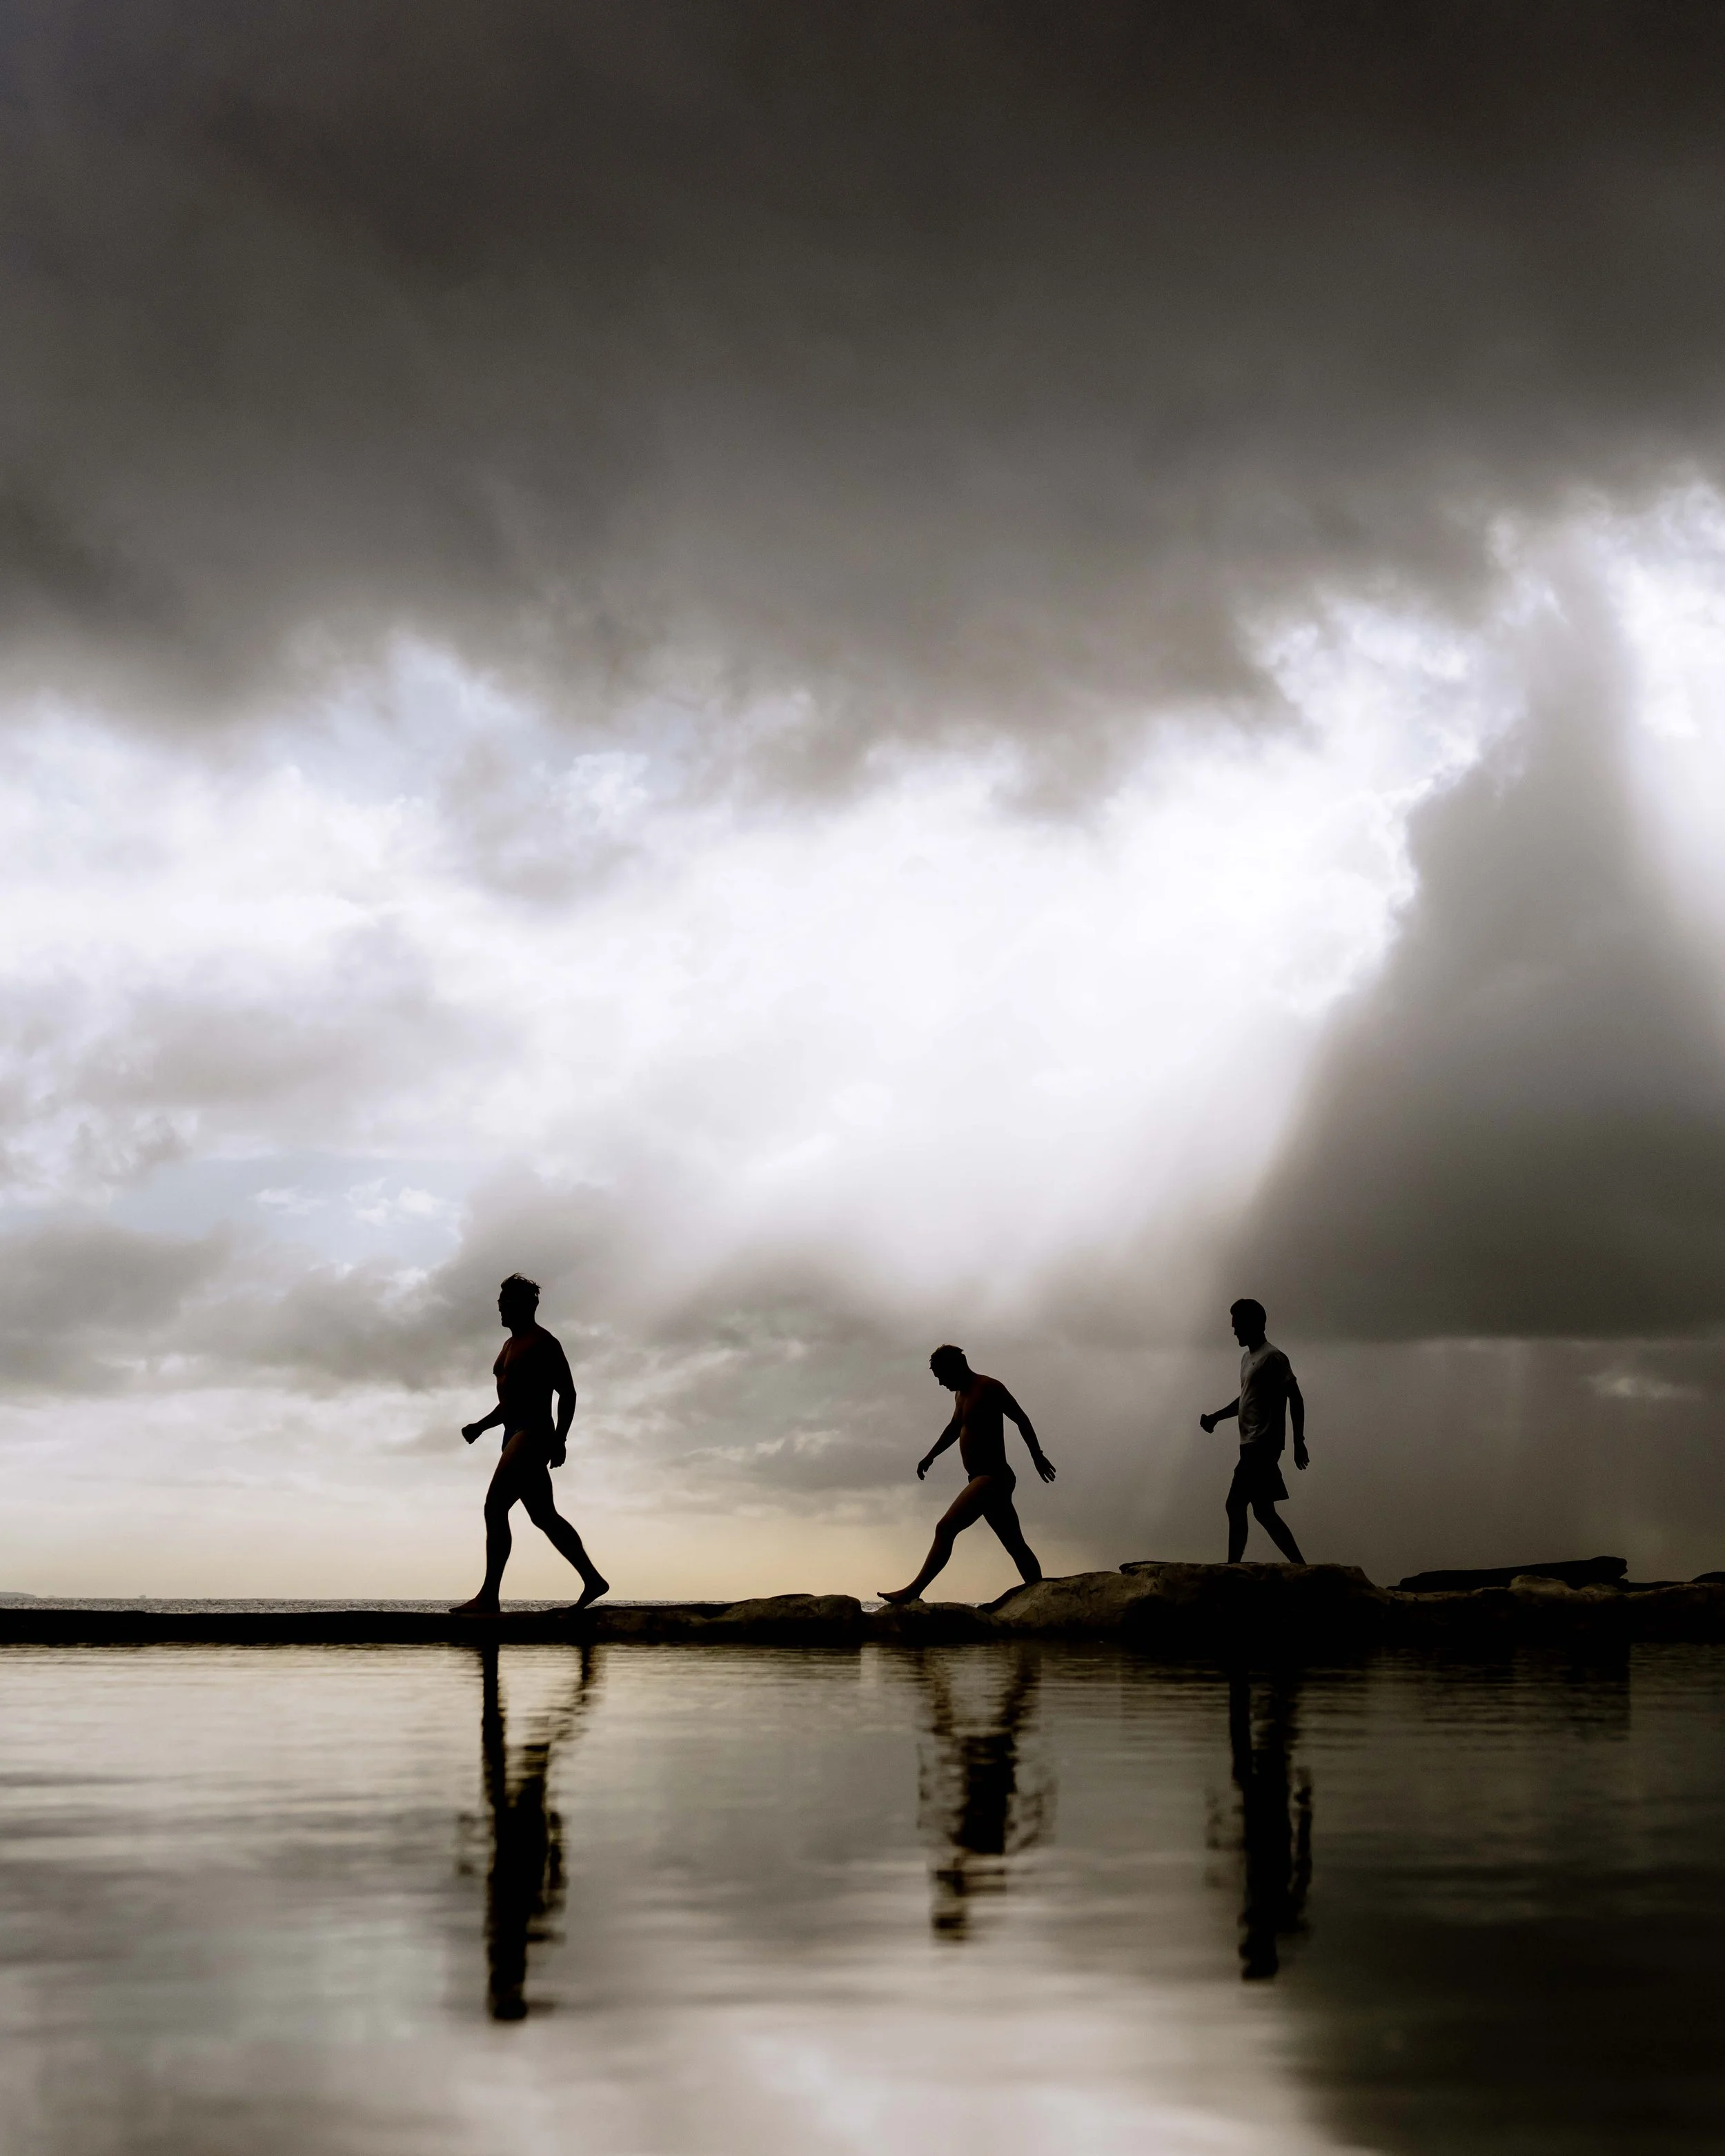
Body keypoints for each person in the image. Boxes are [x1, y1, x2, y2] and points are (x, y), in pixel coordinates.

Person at [451, 1274, 610, 1616]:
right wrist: (481, 1426)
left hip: (535, 1432)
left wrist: (560, 1439)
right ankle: (593, 1580)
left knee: (495, 1508)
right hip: (514, 1432)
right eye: (500, 1304)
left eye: (508, 1303)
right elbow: (511, 1402)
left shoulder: (543, 1343)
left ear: (529, 1305)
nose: (501, 1310)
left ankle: (489, 1597)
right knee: (545, 1517)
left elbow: (567, 1392)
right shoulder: (508, 1346)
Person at [880, 1345, 1055, 1605]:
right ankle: (1041, 1595)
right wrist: (931, 1456)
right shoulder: (960, 1396)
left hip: (992, 1477)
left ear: (956, 1367)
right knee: (1015, 1544)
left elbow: (1021, 1418)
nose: (940, 1383)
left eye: (942, 1376)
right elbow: (954, 1428)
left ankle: (913, 1591)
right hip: (979, 1479)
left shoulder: (989, 1387)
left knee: (945, 1528)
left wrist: (1037, 1456)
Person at [1200, 1298, 1308, 1565]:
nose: (1234, 1330)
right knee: (1263, 1512)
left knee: (1235, 1504)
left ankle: (1233, 1567)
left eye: (1238, 1324)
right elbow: (1246, 1399)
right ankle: (1300, 1566)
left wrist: (1298, 1442)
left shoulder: (1273, 1357)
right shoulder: (1248, 1359)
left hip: (1263, 1444)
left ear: (1253, 1323)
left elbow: (1295, 1397)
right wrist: (1216, 1417)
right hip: (1249, 1444)